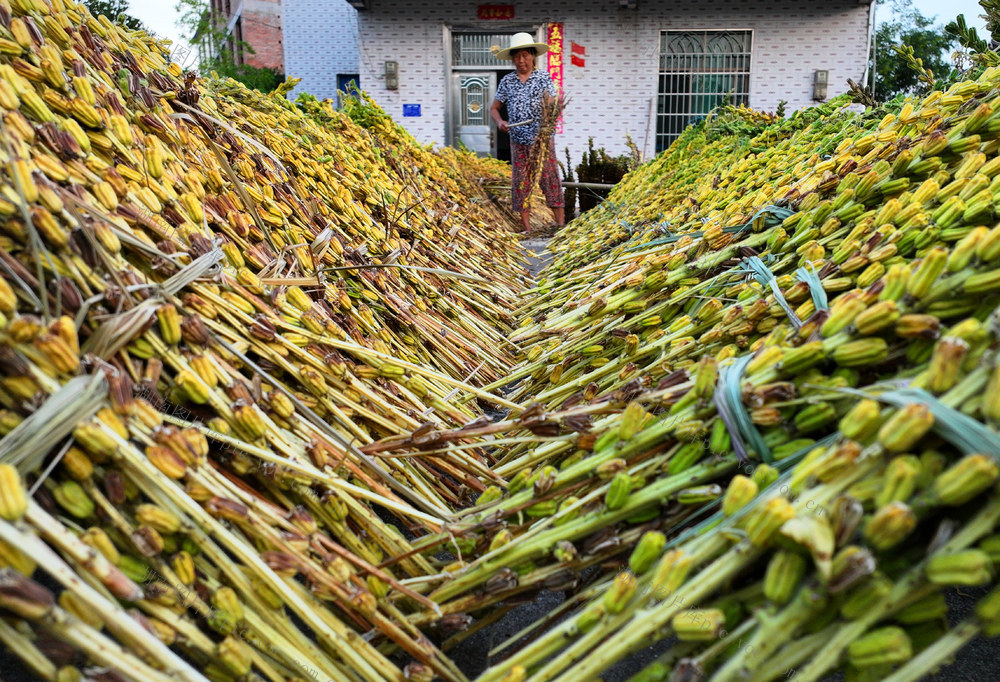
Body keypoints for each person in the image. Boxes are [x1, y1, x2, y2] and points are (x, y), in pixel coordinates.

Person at [491, 32, 565, 233]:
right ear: (512, 58)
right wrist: (500, 122)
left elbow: (552, 102)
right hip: (518, 141)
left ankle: (560, 225)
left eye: (525, 55)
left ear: (533, 55)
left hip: (542, 140)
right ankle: (527, 228)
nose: (521, 60)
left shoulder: (543, 77)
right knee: (521, 182)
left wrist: (551, 110)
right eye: (517, 56)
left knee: (550, 178)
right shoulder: (507, 81)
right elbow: (494, 108)